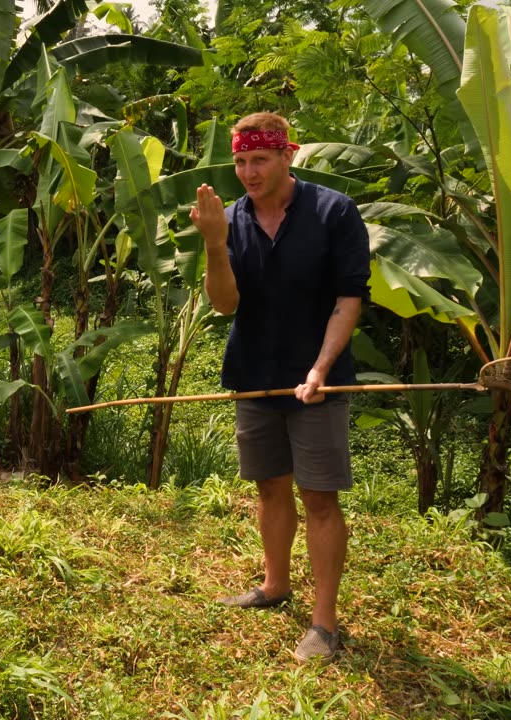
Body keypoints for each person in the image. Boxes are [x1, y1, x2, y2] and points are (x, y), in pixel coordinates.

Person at [191, 112, 370, 662]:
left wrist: (320, 368)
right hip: (255, 373)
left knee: (318, 496)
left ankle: (324, 622)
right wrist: (216, 245)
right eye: (241, 161)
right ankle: (273, 585)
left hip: (319, 379)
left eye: (259, 160)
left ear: (287, 156)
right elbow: (225, 304)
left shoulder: (333, 212)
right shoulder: (234, 219)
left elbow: (349, 298)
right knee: (269, 487)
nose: (248, 172)